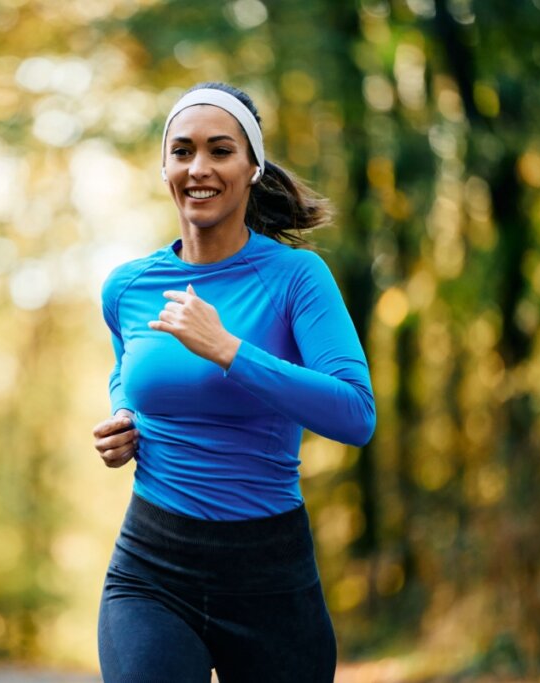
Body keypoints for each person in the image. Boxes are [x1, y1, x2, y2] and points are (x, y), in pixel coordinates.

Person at [92, 82, 376, 683]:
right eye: (182, 151)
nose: (199, 168)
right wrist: (125, 420)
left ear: (253, 169)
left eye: (221, 151)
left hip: (270, 574)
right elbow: (126, 372)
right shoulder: (127, 288)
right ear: (164, 167)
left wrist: (228, 351)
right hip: (153, 565)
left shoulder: (297, 278)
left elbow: (355, 414)